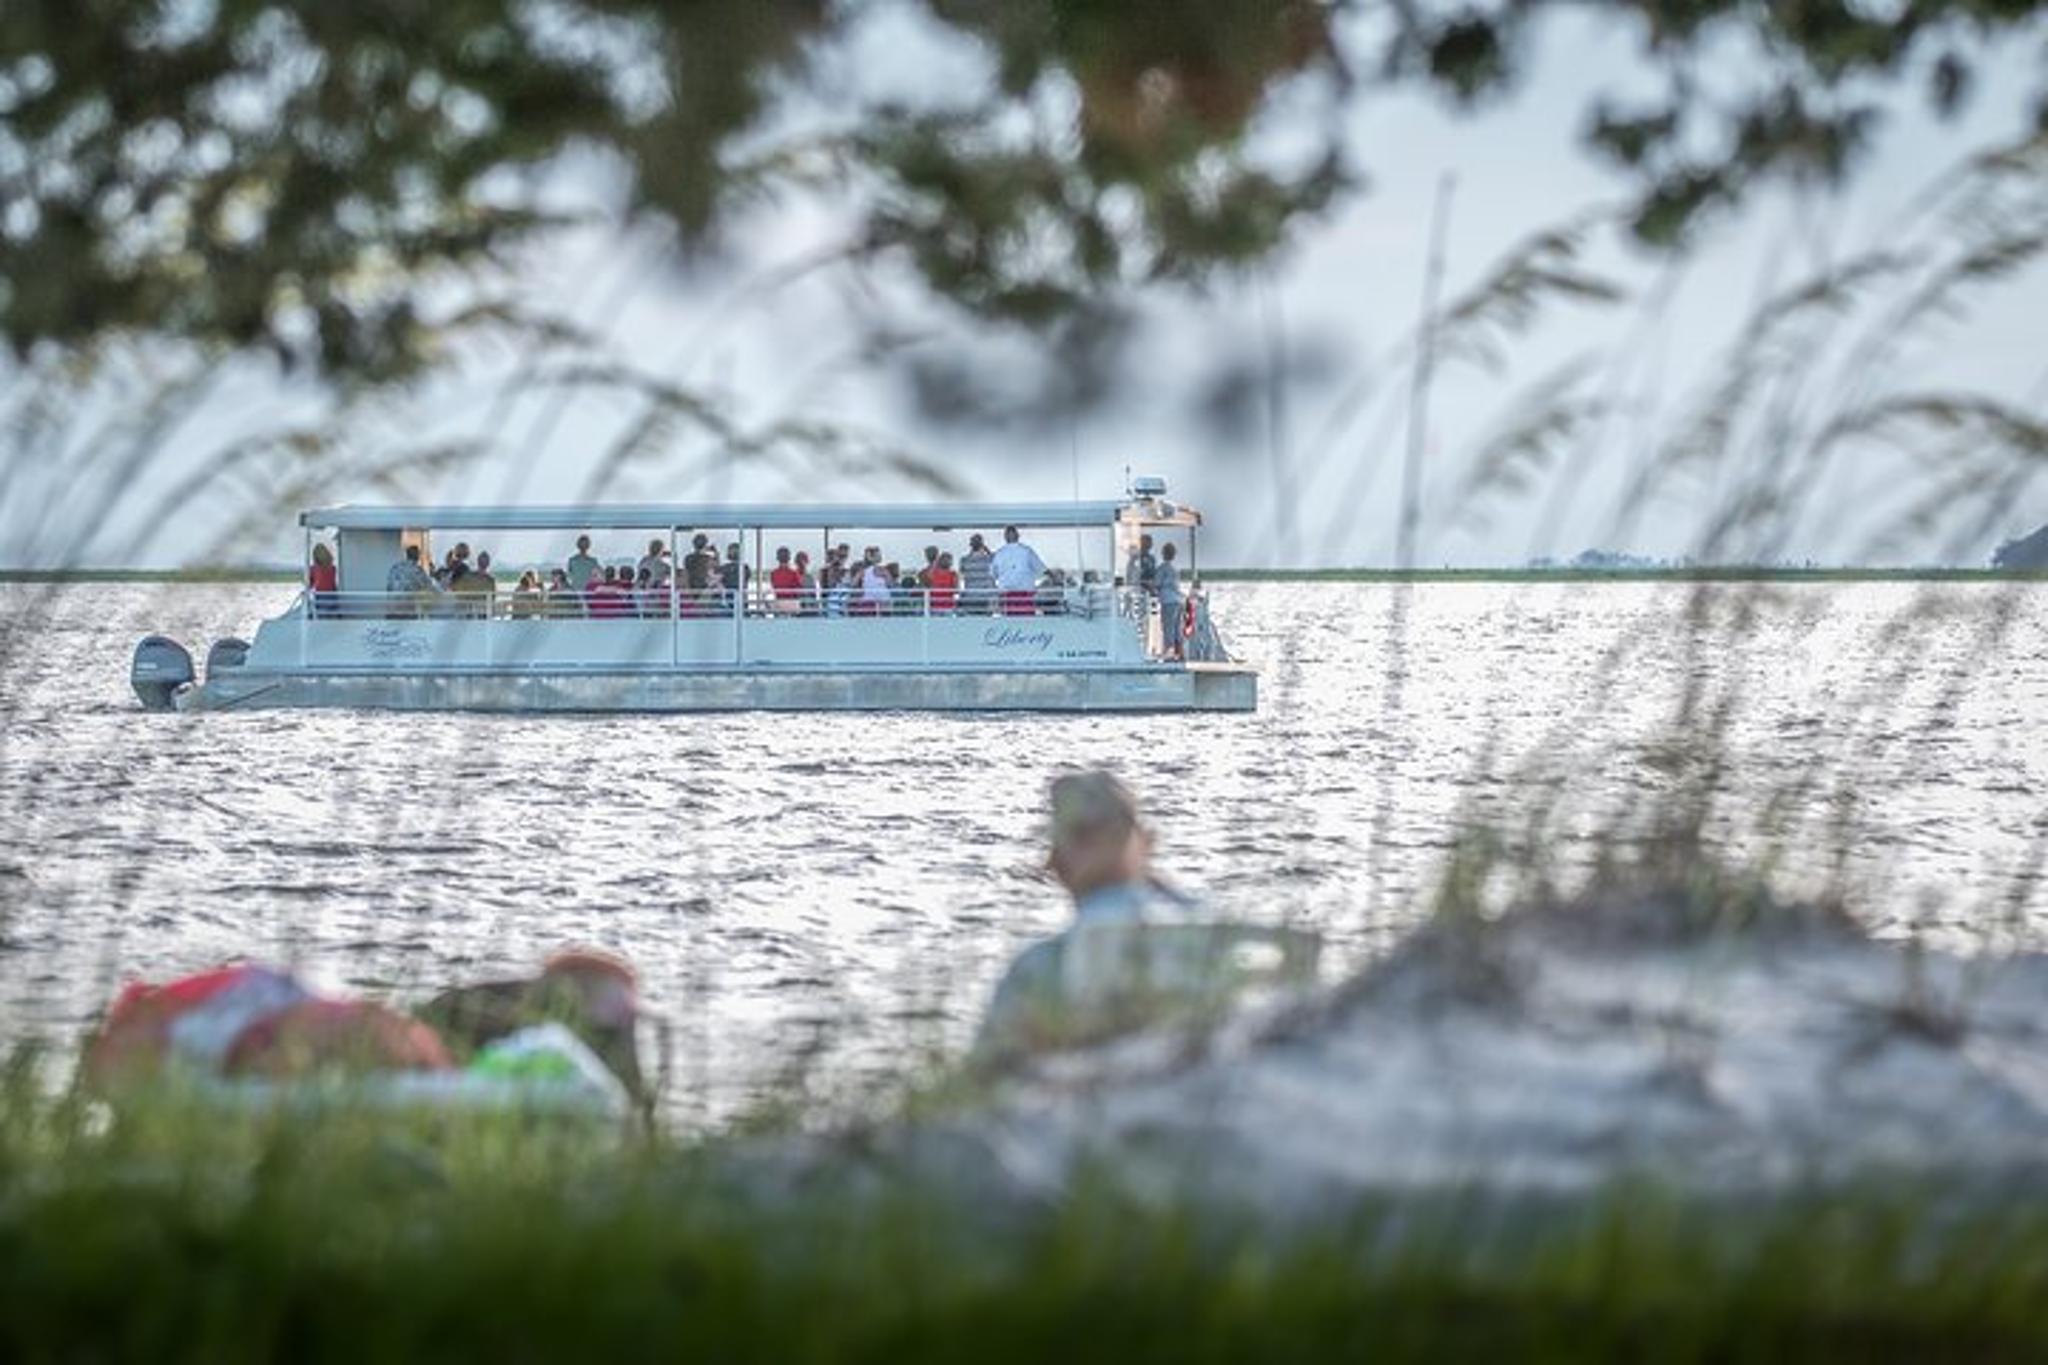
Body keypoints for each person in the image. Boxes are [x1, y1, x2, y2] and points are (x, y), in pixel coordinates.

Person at [974, 771, 1199, 1061]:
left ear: (1056, 863)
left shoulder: (1039, 970)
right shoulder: (1215, 931)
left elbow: (984, 1077)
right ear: (1146, 842)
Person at [990, 525, 1046, 616]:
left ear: (1005, 537)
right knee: (1027, 623)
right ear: (1018, 536)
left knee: (1010, 623)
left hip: (1008, 596)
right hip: (1025, 594)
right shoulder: (1027, 551)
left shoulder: (999, 553)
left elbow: (993, 574)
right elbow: (1041, 568)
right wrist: (1053, 575)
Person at [386, 544, 439, 617]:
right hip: (406, 612)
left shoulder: (396, 567)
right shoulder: (416, 570)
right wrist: (442, 594)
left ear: (407, 555)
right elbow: (429, 586)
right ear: (417, 556)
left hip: (391, 610)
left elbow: (389, 586)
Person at [1155, 541, 1184, 660]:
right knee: (1177, 628)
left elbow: (1157, 583)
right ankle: (1180, 653)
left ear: (1163, 553)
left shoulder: (1163, 568)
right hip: (1177, 600)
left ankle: (1170, 653)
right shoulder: (1175, 569)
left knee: (1168, 627)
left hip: (1168, 601)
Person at [960, 533, 995, 613]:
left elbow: (962, 572)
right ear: (982, 544)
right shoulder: (988, 559)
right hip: (984, 597)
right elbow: (996, 559)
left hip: (970, 596)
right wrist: (986, 549)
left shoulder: (965, 560)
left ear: (971, 545)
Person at [307, 542, 338, 617]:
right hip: (332, 596)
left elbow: (311, 584)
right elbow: (333, 584)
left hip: (321, 597)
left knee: (313, 613)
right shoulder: (333, 568)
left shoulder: (314, 568)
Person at [769, 546, 803, 613]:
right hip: (793, 604)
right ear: (789, 558)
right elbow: (799, 589)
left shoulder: (773, 573)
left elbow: (774, 587)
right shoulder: (794, 573)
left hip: (779, 603)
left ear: (777, 558)